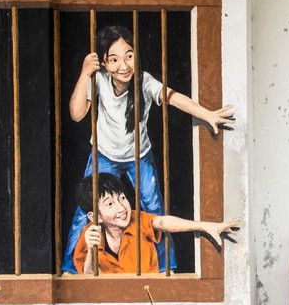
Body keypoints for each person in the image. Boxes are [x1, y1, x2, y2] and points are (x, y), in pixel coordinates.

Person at [61, 24, 235, 274]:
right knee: (85, 210)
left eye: (129, 56)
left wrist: (207, 114)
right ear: (104, 64)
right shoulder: (97, 79)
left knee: (154, 210)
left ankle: (166, 268)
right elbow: (77, 114)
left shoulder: (144, 81)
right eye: (114, 59)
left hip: (139, 156)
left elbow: (173, 97)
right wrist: (85, 72)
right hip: (103, 154)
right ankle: (71, 269)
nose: (124, 65)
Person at [72, 173, 239, 275]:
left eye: (122, 198)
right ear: (95, 216)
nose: (121, 207)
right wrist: (92, 249)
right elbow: (88, 275)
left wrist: (205, 226)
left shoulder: (137, 220)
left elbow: (162, 221)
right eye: (109, 204)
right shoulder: (89, 234)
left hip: (147, 295)